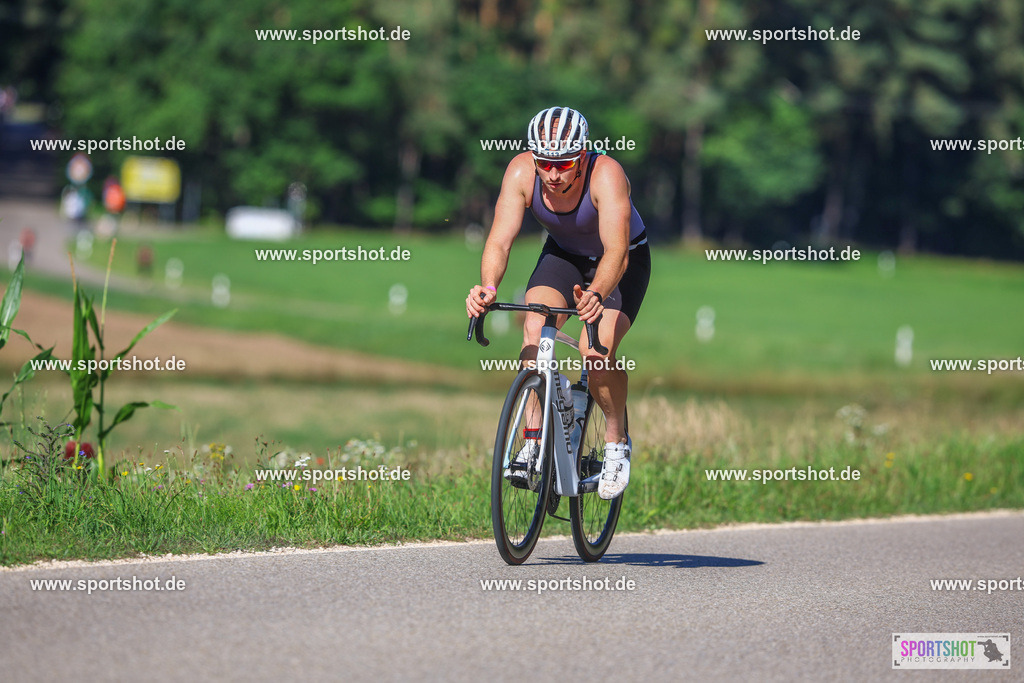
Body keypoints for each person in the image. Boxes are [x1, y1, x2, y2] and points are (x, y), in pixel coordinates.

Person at [466, 106, 651, 500]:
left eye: (563, 164)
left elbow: (616, 251)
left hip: (618, 262)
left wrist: (598, 294)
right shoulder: (521, 172)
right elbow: (499, 239)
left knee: (595, 354)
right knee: (534, 332)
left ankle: (617, 441)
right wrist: (487, 286)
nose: (551, 175)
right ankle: (534, 441)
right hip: (564, 256)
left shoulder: (608, 174)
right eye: (544, 163)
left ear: (582, 157)